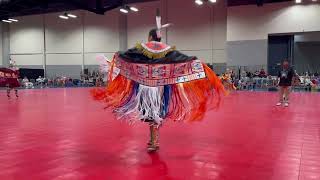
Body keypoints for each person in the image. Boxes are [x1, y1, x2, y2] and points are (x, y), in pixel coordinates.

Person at [92, 10, 225, 152]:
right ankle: (153, 139)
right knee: (154, 113)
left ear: (150, 37)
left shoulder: (142, 48)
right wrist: (196, 63)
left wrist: (117, 56)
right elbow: (182, 58)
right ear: (159, 38)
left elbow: (127, 55)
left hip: (145, 88)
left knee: (152, 113)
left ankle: (154, 141)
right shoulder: (168, 50)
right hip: (162, 88)